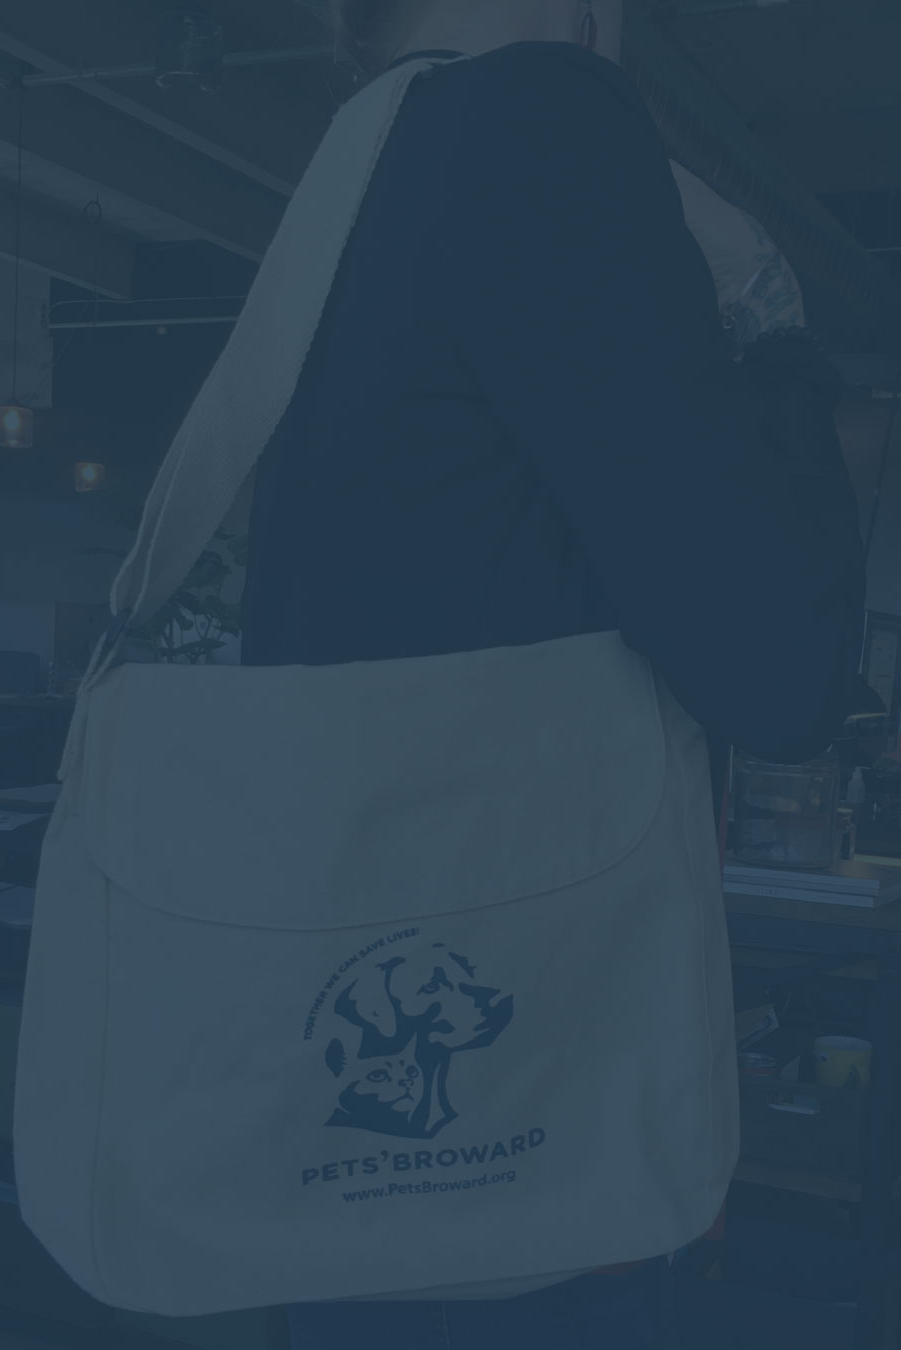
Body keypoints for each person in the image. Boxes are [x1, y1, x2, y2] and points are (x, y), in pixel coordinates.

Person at [235, 1, 866, 1345]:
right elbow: (785, 673)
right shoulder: (536, 117)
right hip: (527, 1156)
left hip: (347, 1142)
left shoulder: (358, 178)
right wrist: (772, 319)